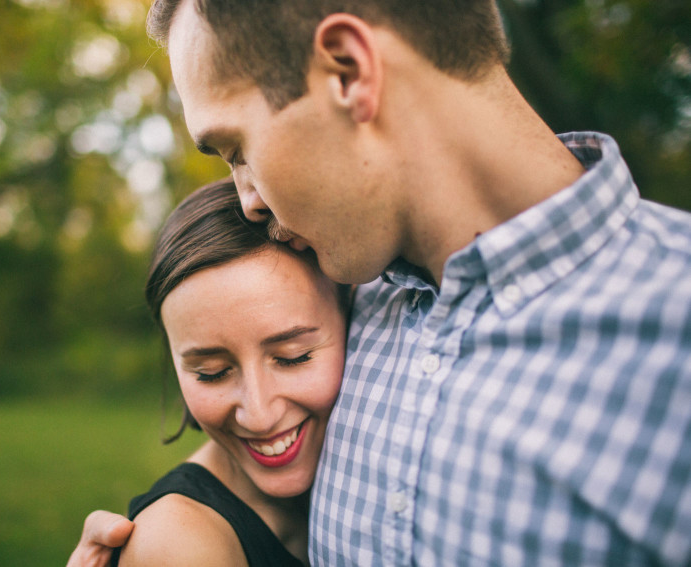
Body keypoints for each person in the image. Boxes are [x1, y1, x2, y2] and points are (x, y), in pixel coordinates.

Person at [70, 0, 691, 564]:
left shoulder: (671, 338)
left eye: (236, 149)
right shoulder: (345, 288)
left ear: (348, 71)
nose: (249, 200)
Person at [105, 179, 349, 566]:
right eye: (212, 372)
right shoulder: (178, 546)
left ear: (352, 322)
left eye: (293, 356)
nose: (259, 414)